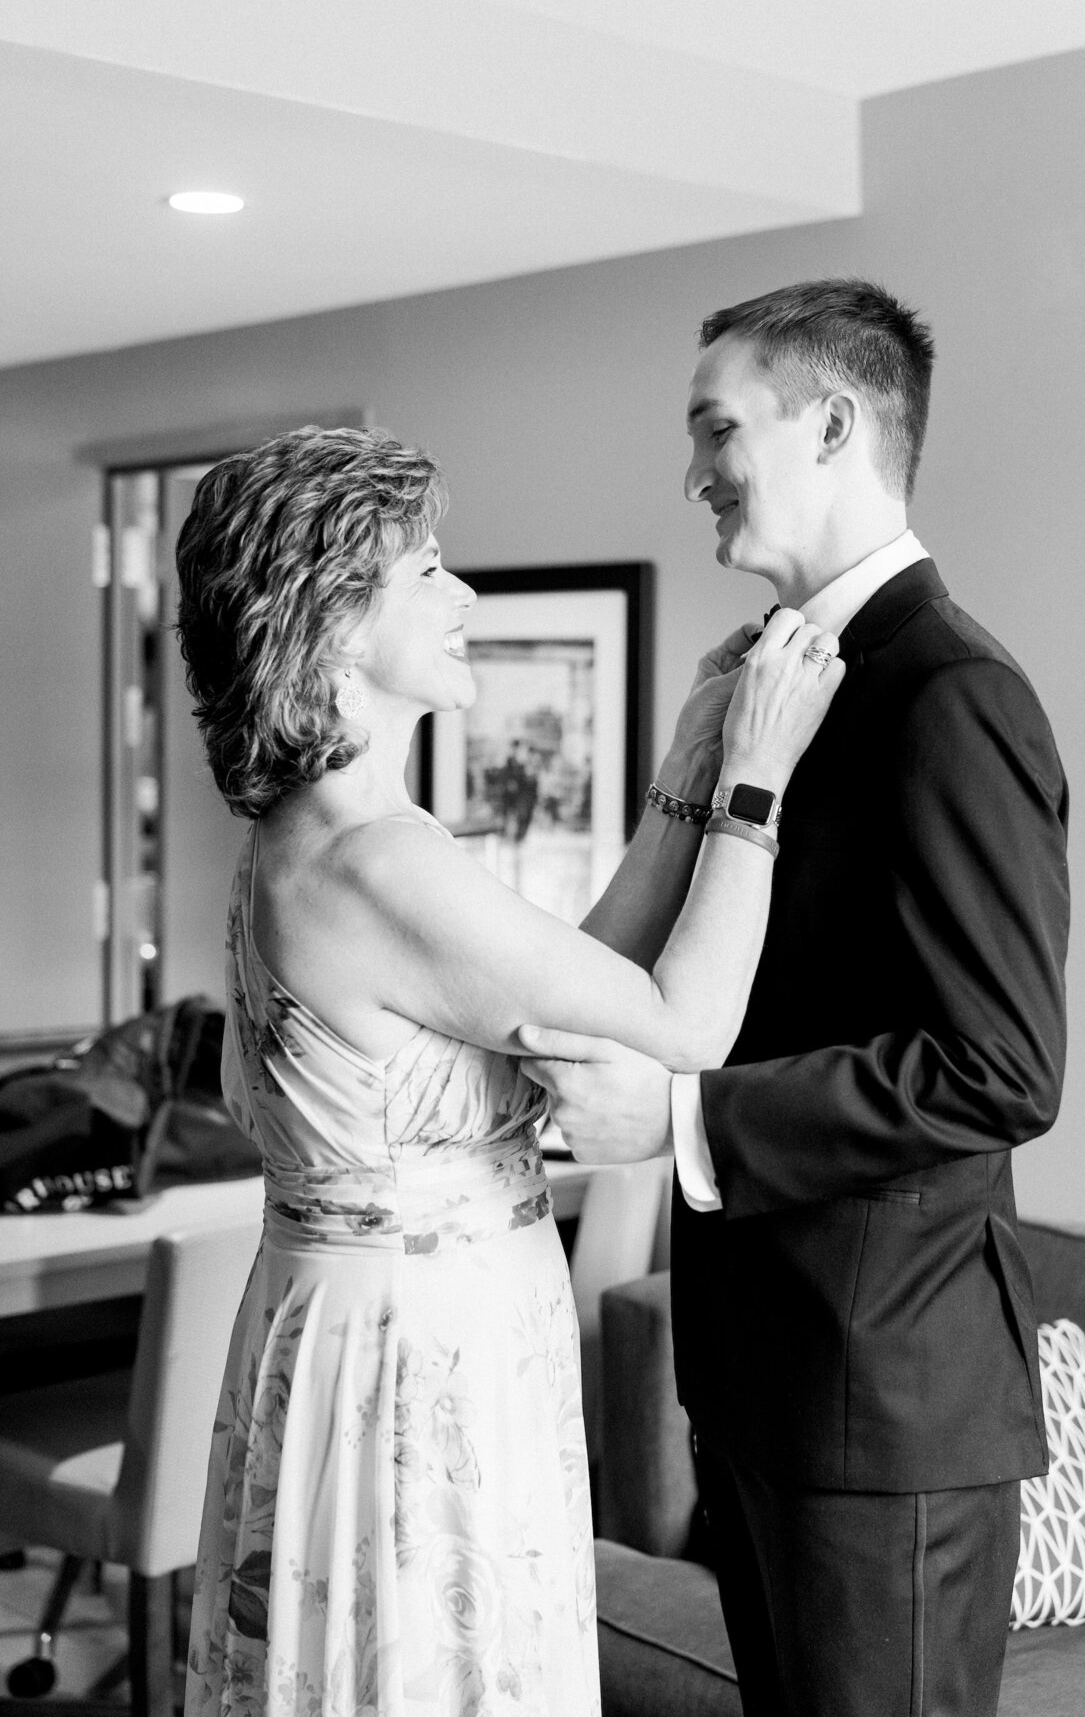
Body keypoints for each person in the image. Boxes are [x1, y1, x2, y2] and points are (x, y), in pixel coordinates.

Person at [174, 424, 843, 1717]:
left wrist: (685, 778)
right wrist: (754, 782)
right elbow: (680, 1027)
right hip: (420, 1359)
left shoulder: (310, 837)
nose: (464, 594)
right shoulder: (382, 863)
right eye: (426, 570)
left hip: (354, 1332)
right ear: (328, 620)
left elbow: (558, 980)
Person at [521, 280, 1070, 1717]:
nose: (692, 473)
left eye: (717, 429)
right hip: (760, 1381)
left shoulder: (952, 695)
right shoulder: (764, 684)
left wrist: (684, 1118)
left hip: (883, 1405)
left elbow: (998, 1067)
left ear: (832, 424)